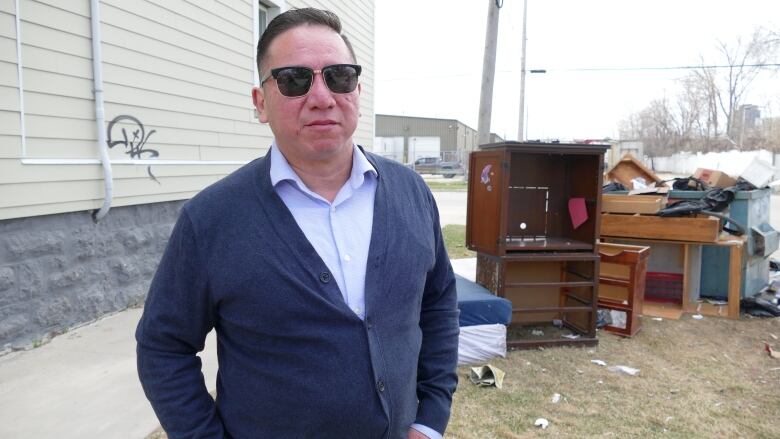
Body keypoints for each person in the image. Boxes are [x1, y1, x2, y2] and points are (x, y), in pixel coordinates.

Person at [136, 7, 459, 439]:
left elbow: (438, 306)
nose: (322, 96)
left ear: (358, 89)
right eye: (294, 80)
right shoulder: (212, 219)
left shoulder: (411, 194)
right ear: (260, 102)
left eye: (339, 76)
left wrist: (430, 418)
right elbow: (163, 347)